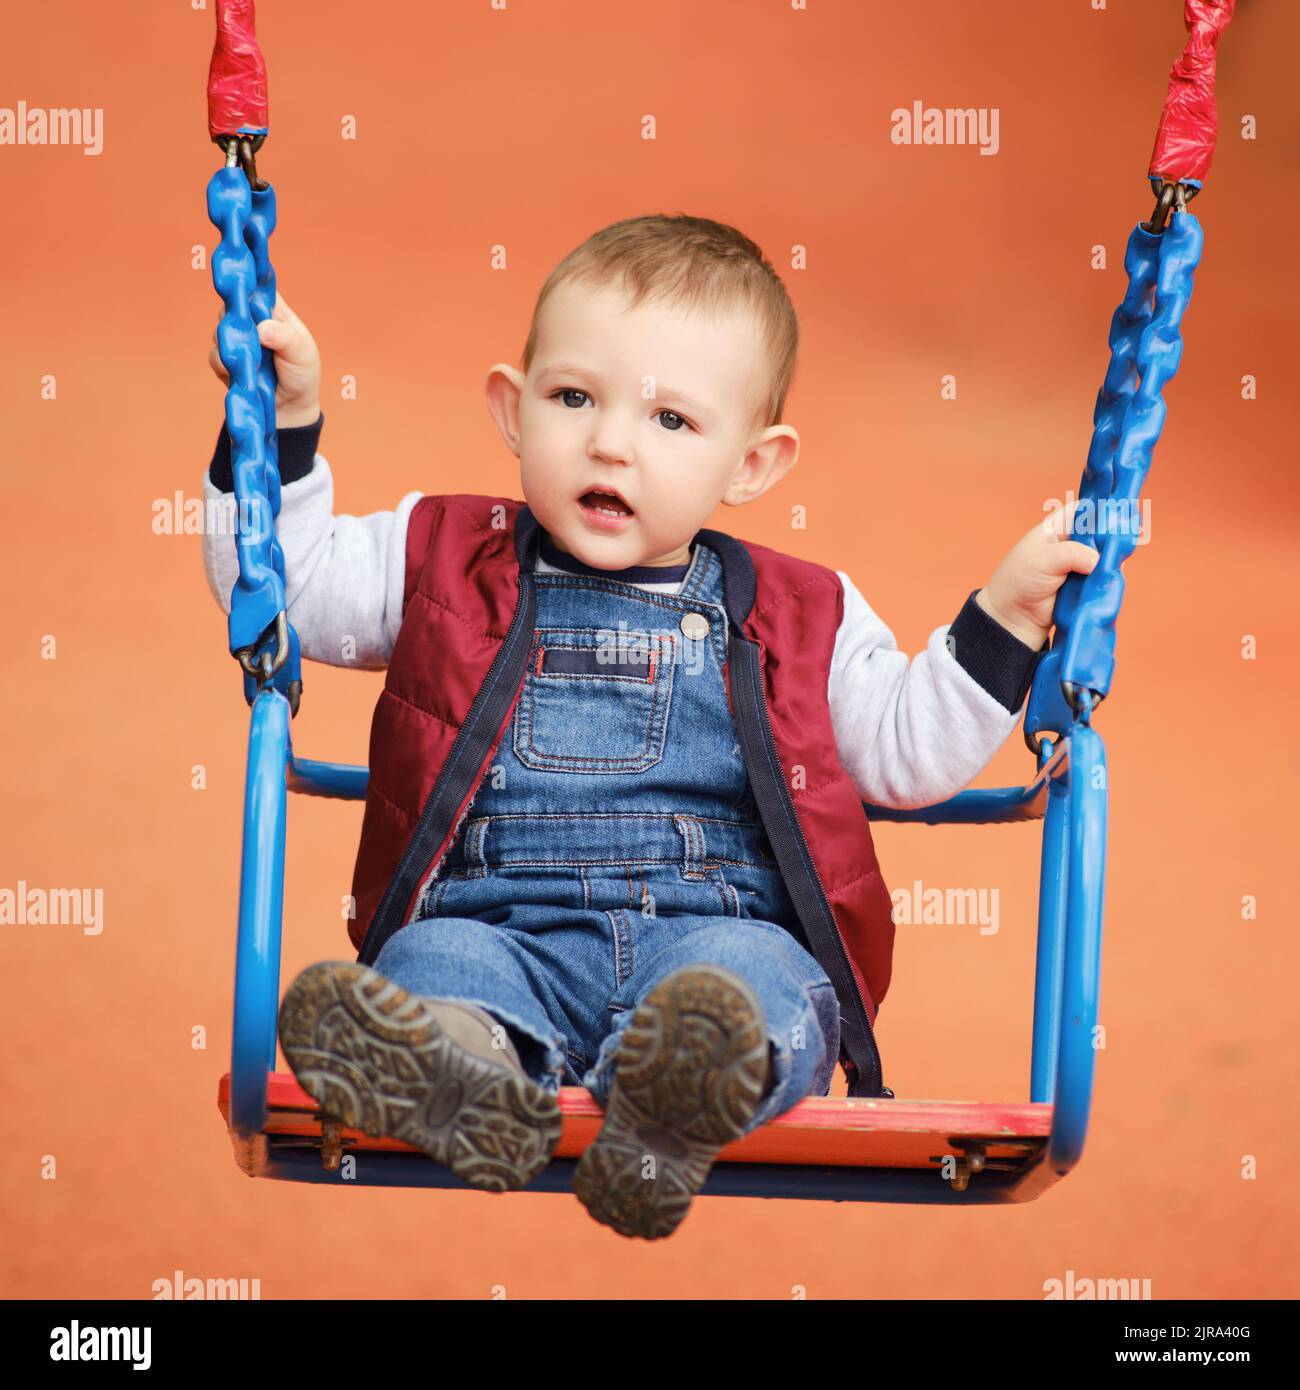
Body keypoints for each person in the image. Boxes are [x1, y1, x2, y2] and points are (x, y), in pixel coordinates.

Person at [202, 213, 1097, 1239]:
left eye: (671, 421)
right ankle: (459, 1075)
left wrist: (1004, 617)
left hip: (713, 940)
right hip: (499, 933)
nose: (611, 441)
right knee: (431, 970)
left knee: (756, 992)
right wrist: (278, 434)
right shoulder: (438, 558)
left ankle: (671, 1099)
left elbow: (908, 755)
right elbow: (284, 590)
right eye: (573, 396)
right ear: (511, 406)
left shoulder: (800, 613)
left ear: (752, 466)